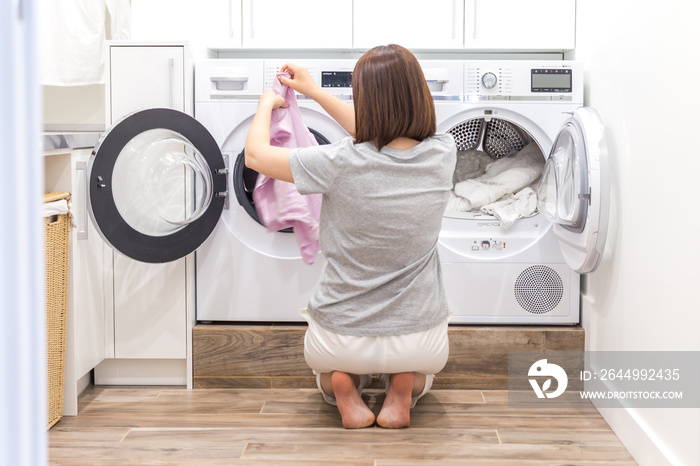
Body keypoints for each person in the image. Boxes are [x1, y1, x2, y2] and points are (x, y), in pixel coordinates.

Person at [244, 44, 456, 429]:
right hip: (420, 340)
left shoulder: (338, 162)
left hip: (339, 338)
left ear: (365, 101)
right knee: (422, 373)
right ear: (421, 95)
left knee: (328, 375)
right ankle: (403, 385)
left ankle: (342, 384)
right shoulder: (444, 153)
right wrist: (315, 91)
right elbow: (381, 132)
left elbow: (256, 157)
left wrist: (264, 105)